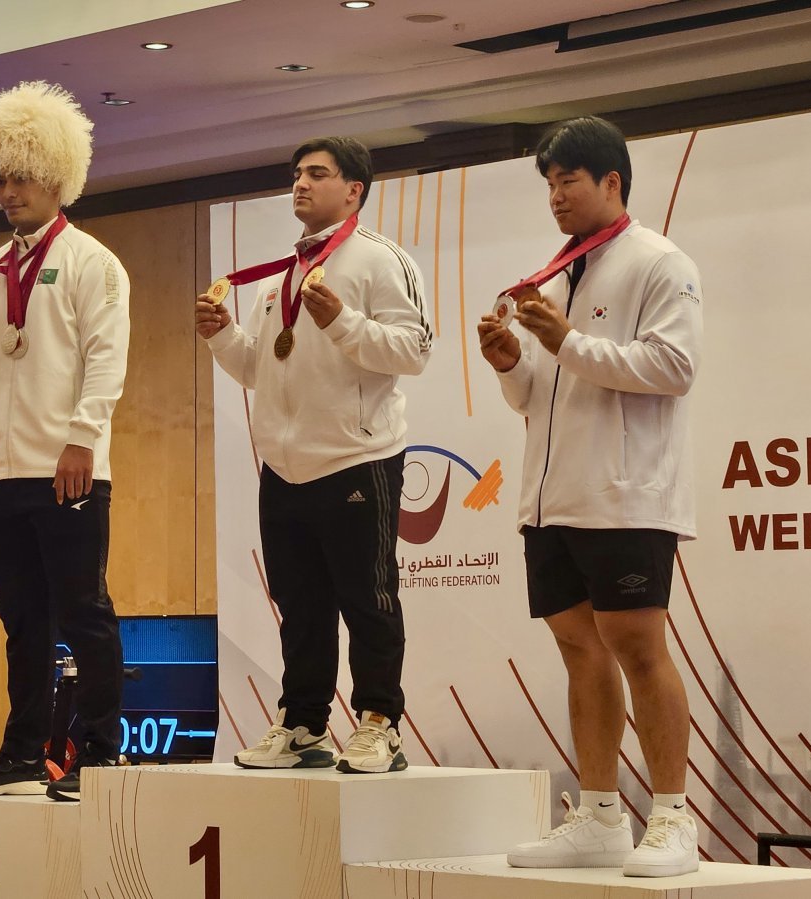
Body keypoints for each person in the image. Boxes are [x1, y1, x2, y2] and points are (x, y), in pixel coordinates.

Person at [478, 116, 702, 877]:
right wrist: (515, 362)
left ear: (612, 181)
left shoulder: (660, 262)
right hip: (553, 497)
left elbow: (672, 366)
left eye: (568, 179)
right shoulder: (558, 268)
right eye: (548, 182)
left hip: (626, 496)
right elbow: (543, 395)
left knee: (640, 648)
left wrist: (566, 340)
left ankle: (673, 814)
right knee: (579, 652)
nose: (555, 195)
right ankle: (600, 812)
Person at [196, 136, 432, 774]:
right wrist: (224, 339)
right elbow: (262, 368)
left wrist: (344, 324)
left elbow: (414, 351)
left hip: (357, 459)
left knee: (369, 600)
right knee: (301, 608)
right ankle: (303, 725)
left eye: (317, 174)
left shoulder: (382, 260)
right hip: (285, 468)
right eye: (296, 173)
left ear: (354, 189)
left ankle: (380, 722)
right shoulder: (284, 274)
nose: (299, 183)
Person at [0, 81, 130, 802]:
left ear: (55, 176)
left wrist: (82, 438)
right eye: (0, 178)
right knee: (22, 622)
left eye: (20, 177)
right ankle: (23, 751)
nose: (8, 191)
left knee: (84, 609)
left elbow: (107, 357)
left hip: (67, 466)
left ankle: (101, 752)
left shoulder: (93, 261)